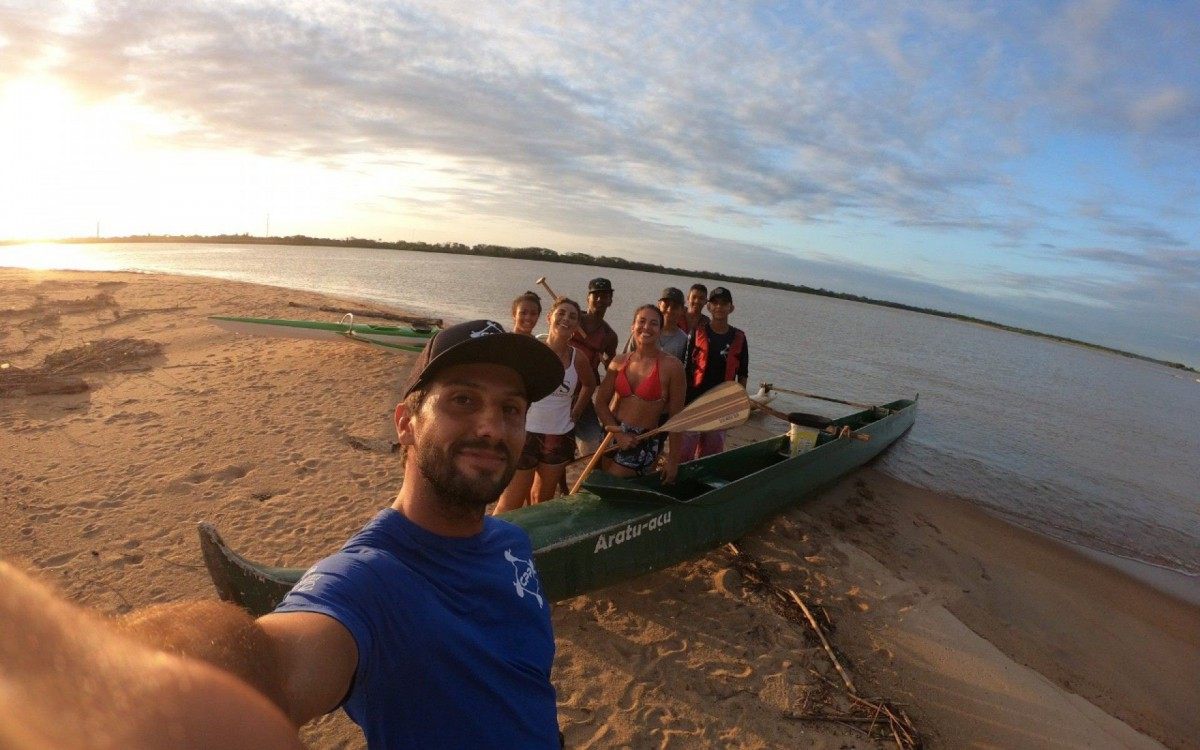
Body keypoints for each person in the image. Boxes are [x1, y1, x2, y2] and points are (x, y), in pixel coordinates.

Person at [0, 319, 566, 750]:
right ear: (405, 425)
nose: (492, 427)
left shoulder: (509, 543)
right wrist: (75, 674)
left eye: (511, 409)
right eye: (463, 400)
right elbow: (266, 661)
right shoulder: (369, 580)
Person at [494, 297, 595, 513]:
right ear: (549, 317)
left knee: (542, 500)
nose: (566, 319)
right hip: (525, 433)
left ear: (577, 326)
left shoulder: (578, 358)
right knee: (512, 500)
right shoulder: (533, 349)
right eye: (561, 313)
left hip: (558, 436)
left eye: (572, 317)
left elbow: (589, 384)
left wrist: (576, 412)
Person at [593, 305, 685, 483]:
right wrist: (617, 433)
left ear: (660, 330)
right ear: (632, 327)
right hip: (612, 433)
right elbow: (600, 403)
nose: (646, 327)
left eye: (653, 323)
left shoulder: (672, 366)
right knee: (602, 484)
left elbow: (677, 419)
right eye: (641, 321)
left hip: (642, 440)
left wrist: (673, 460)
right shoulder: (619, 362)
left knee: (611, 483)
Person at [682, 286, 749, 460]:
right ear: (709, 307)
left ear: (731, 308)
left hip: (721, 404)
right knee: (685, 449)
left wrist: (738, 404)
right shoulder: (697, 332)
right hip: (694, 401)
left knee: (711, 453)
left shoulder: (739, 337)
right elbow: (685, 367)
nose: (719, 307)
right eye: (715, 303)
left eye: (724, 304)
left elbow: (742, 373)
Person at [571, 277, 618, 452]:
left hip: (582, 393)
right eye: (595, 295)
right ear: (588, 298)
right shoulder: (573, 319)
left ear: (610, 301)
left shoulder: (609, 335)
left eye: (604, 296)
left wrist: (607, 363)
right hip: (559, 388)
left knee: (592, 446)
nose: (600, 299)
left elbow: (611, 368)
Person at [623, 287, 688, 362]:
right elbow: (625, 359)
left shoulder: (684, 340)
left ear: (682, 310)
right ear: (659, 305)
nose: (669, 310)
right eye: (666, 305)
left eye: (675, 307)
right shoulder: (644, 332)